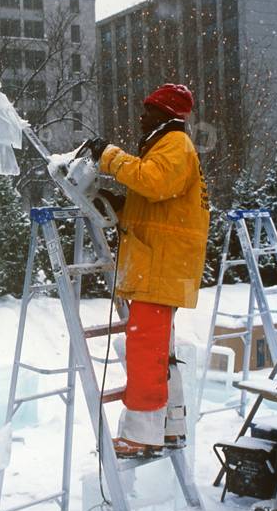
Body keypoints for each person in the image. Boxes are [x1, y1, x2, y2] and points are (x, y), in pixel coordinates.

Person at [84, 83, 209, 457]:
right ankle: (170, 427)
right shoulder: (166, 149)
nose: (141, 117)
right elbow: (156, 204)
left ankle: (142, 434)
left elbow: (152, 183)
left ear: (164, 114)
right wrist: (119, 203)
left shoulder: (174, 146)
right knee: (158, 352)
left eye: (147, 110)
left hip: (160, 266)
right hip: (161, 263)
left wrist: (110, 157)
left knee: (144, 349)